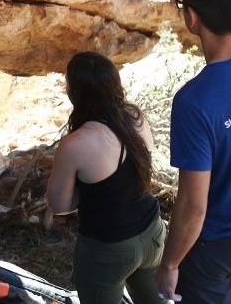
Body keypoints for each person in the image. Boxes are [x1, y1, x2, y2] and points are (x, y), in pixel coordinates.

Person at [47, 52, 165, 304]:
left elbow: (59, 205)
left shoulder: (76, 143)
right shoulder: (135, 117)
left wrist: (92, 192)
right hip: (152, 232)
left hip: (109, 247)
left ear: (75, 92)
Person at [155, 0, 231, 303]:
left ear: (191, 16)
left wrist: (170, 263)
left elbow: (193, 206)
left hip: (212, 252)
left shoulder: (194, 101)